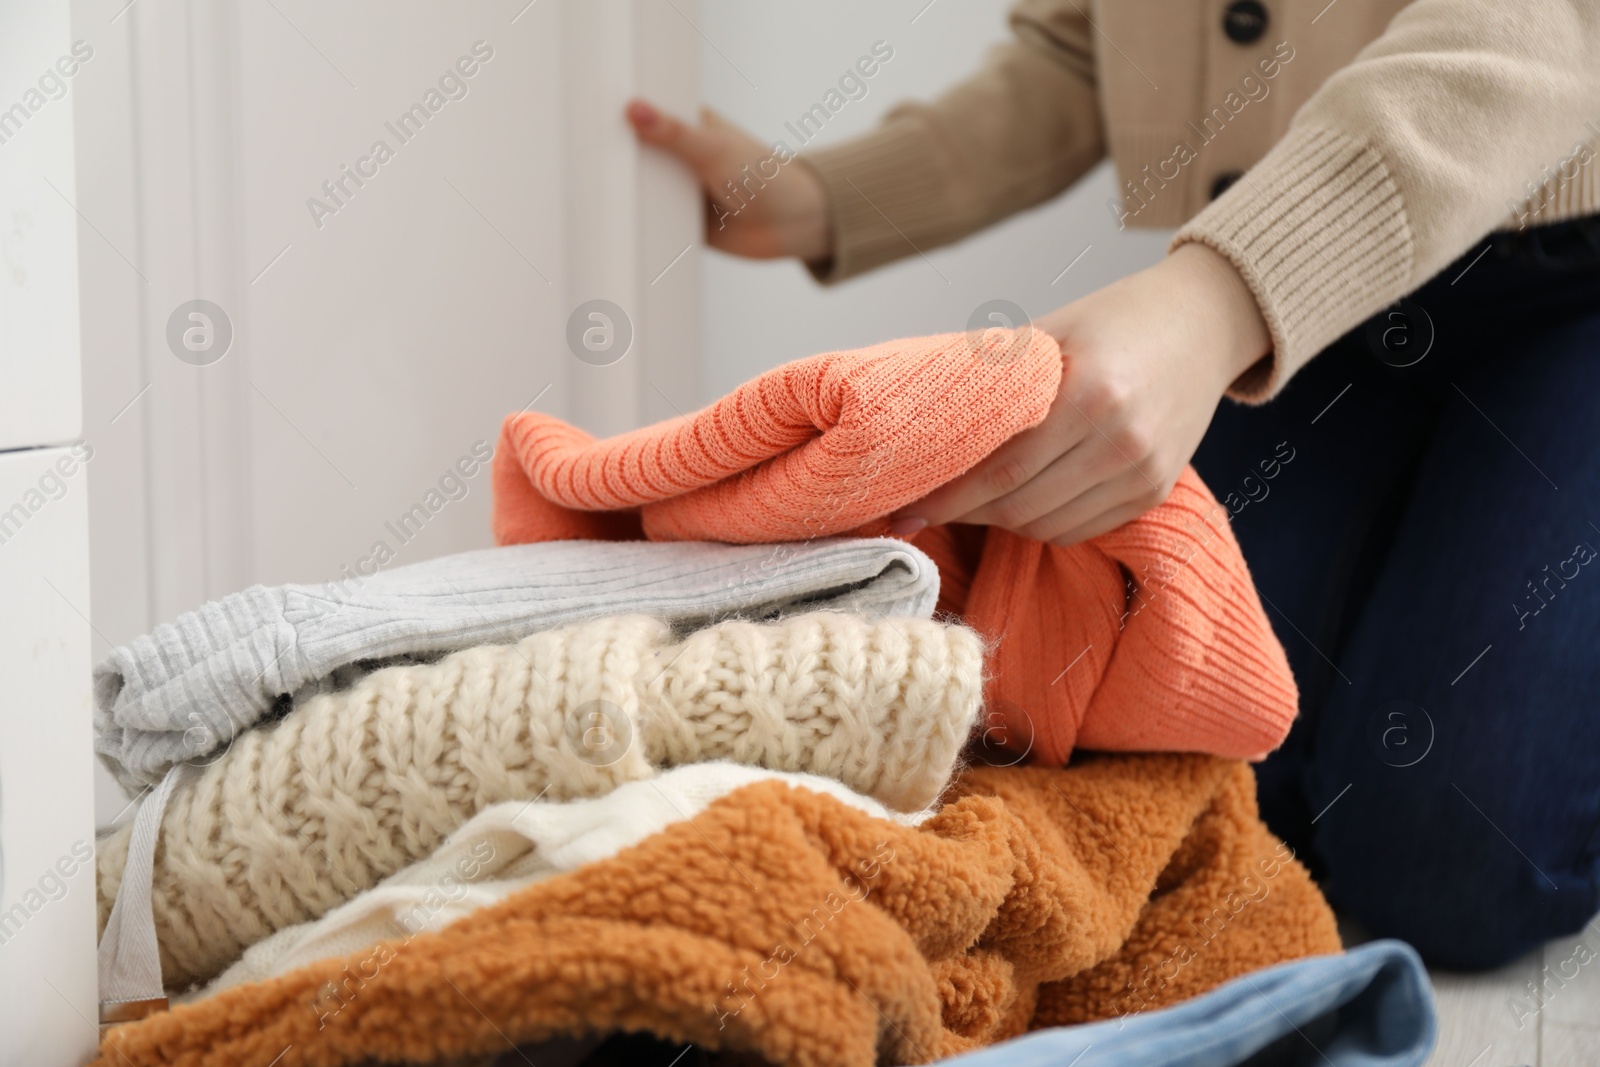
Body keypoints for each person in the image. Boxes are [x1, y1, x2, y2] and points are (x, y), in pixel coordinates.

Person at [625, 0, 1600, 970]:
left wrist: (1213, 299)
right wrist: (828, 197)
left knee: (1452, 866)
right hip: (1314, 300)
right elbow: (1083, 47)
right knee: (1181, 776)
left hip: (1561, 279)